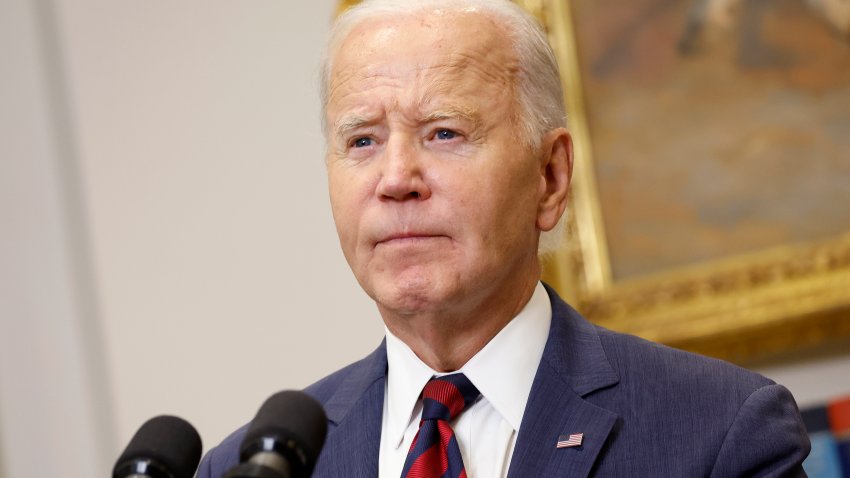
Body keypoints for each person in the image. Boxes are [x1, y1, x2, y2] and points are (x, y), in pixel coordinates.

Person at [198, 0, 810, 476]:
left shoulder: (719, 432)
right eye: (362, 140)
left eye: (443, 132)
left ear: (549, 177)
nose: (395, 179)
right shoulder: (247, 469)